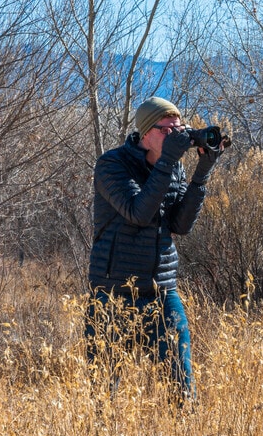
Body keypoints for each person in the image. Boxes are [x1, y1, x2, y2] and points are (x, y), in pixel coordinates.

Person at [85, 96, 223, 404]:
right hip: (113, 292)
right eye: (168, 130)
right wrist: (166, 163)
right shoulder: (111, 165)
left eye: (181, 129)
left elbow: (180, 225)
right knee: (103, 395)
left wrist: (201, 173)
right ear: (146, 133)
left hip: (162, 291)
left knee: (182, 386)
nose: (178, 136)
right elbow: (138, 212)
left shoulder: (171, 169)